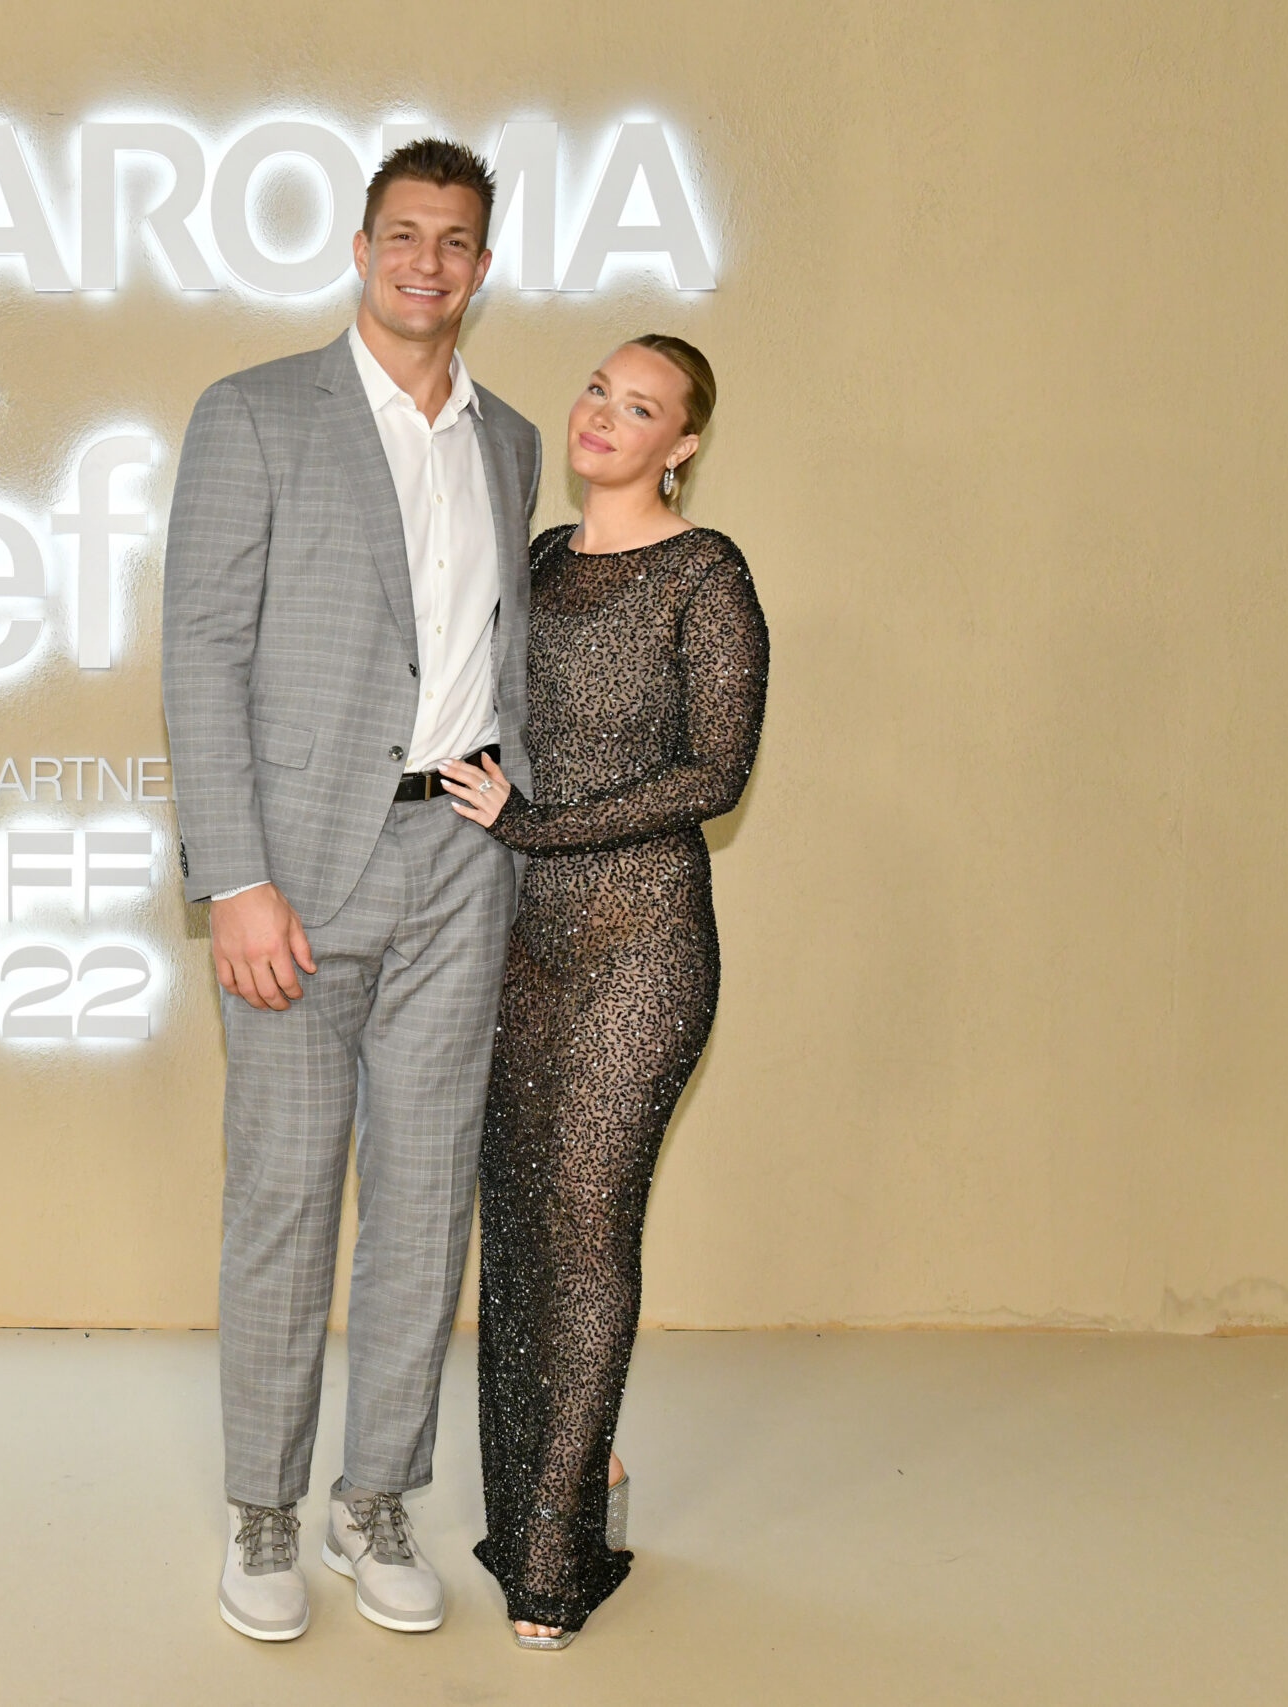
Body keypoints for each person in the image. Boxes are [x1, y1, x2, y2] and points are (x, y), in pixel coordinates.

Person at [161, 137, 541, 1643]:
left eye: (454, 241)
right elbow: (202, 651)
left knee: (426, 1200)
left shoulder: (511, 440)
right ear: (362, 246)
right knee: (285, 1193)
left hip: (461, 864)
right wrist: (234, 879)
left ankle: (374, 1495)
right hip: (299, 877)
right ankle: (263, 1509)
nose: (425, 262)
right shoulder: (254, 413)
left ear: (481, 267)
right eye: (403, 234)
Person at [441, 335, 769, 1646]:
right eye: (597, 390)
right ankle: (582, 1477)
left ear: (680, 445)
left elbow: (715, 774)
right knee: (520, 1232)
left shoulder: (705, 572)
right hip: (520, 948)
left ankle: (553, 1561)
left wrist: (534, 823)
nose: (603, 417)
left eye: (639, 408)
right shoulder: (536, 562)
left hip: (642, 949)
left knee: (584, 1226)